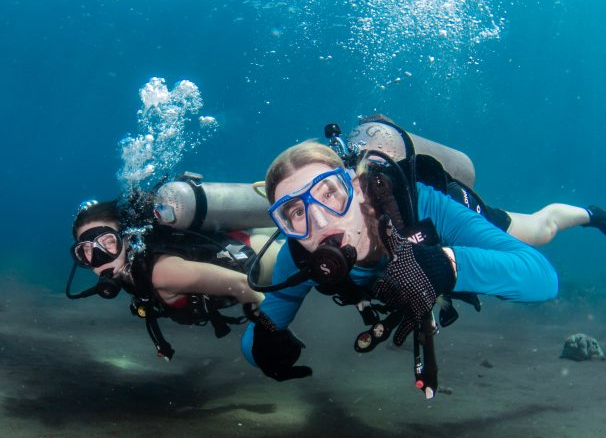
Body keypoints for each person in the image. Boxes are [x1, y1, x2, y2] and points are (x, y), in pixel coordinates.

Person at [241, 140, 559, 398]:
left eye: (328, 193)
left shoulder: (420, 204)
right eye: (296, 212)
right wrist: (262, 351)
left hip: (454, 218)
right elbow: (265, 325)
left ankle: (587, 214)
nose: (320, 221)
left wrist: (445, 264)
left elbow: (542, 276)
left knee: (540, 229)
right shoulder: (298, 256)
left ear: (356, 187)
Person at [66, 198, 280, 360]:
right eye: (85, 250)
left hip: (259, 255)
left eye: (108, 242)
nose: (99, 258)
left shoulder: (161, 273)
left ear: (128, 238)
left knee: (302, 244)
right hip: (236, 243)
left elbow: (241, 285)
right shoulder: (130, 271)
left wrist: (274, 332)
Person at [348, 117, 606, 246]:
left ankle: (592, 215)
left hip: (461, 209)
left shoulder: (440, 202)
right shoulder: (336, 194)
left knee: (543, 228)